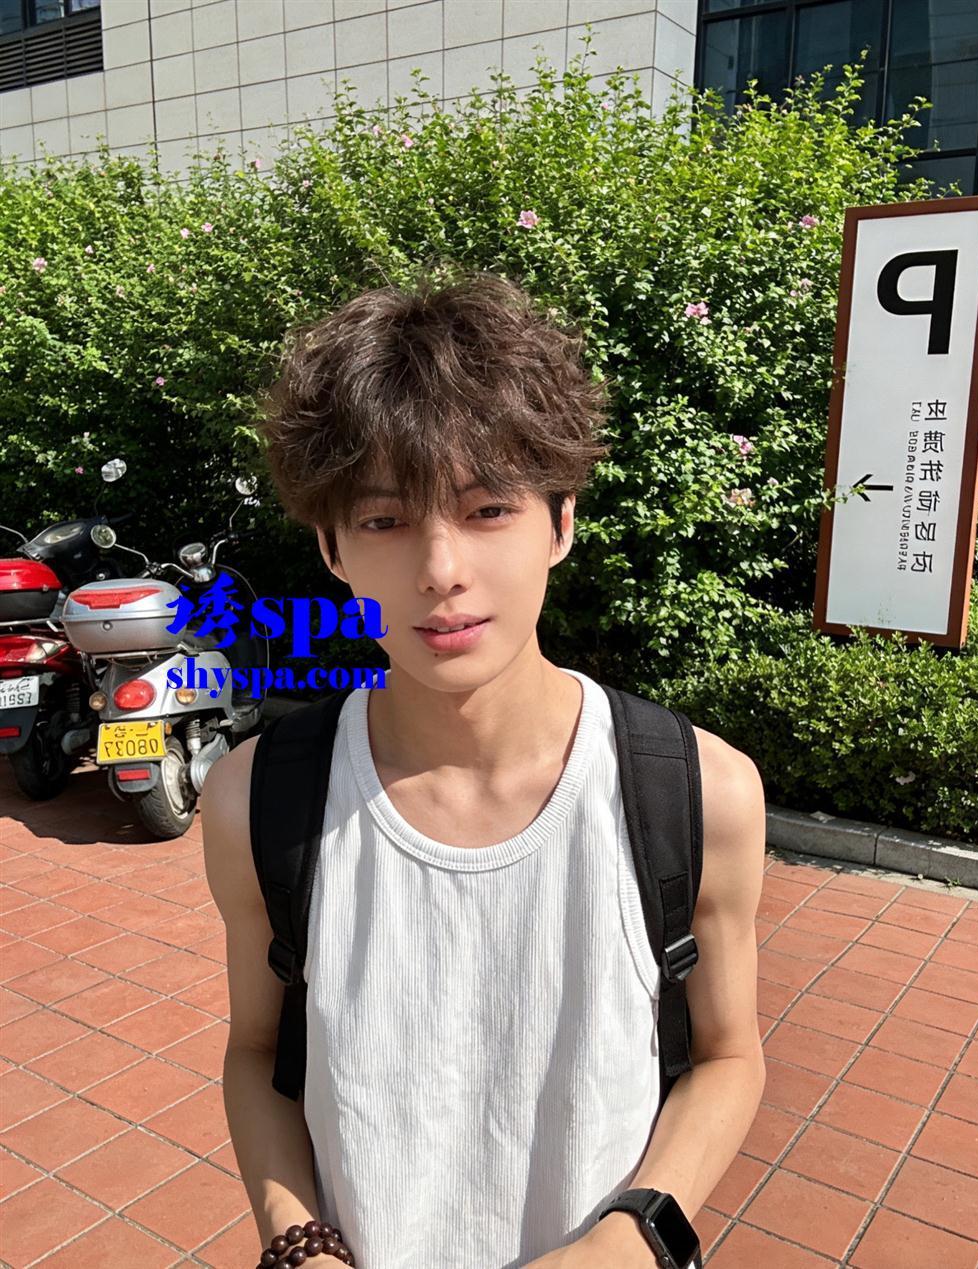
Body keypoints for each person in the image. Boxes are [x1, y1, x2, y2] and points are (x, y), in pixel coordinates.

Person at [201, 267, 767, 1269]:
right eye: (383, 520)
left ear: (561, 522)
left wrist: (624, 1243)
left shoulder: (696, 793)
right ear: (332, 549)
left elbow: (727, 1056)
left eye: (487, 508)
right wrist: (301, 1242)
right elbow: (256, 1052)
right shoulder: (260, 798)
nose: (440, 569)